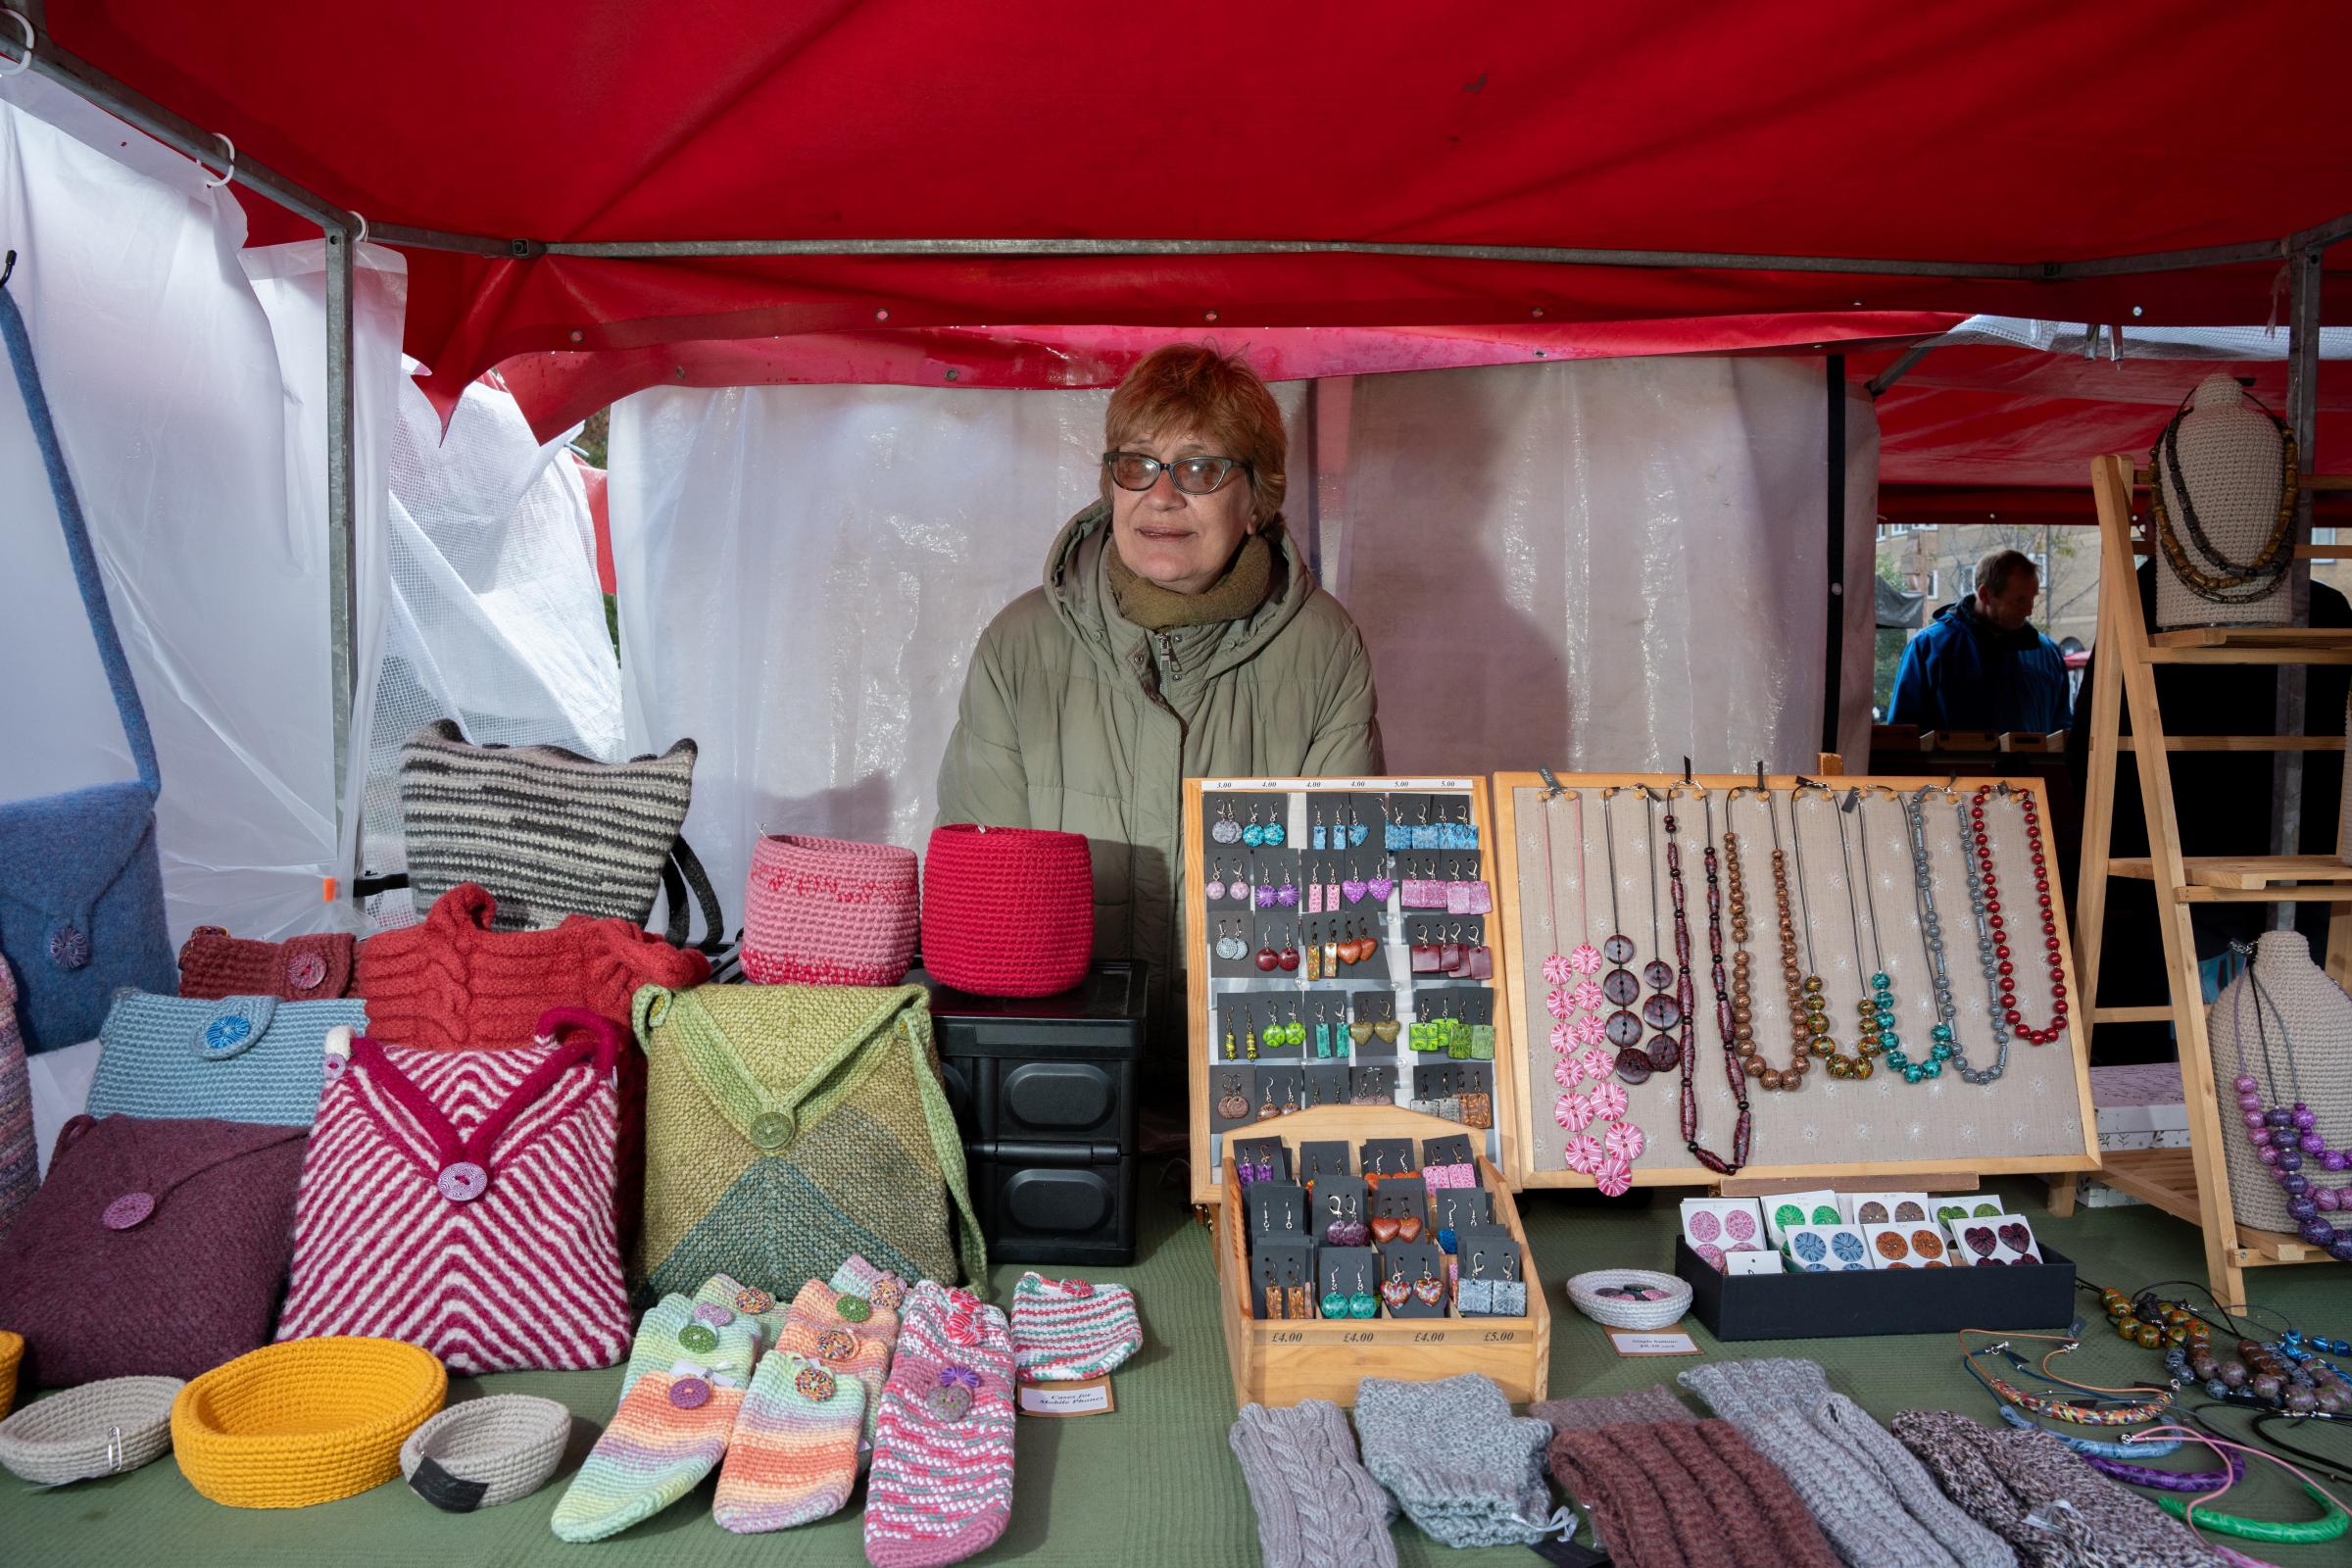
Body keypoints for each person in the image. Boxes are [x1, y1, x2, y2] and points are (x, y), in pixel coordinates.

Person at [935, 344, 1382, 1084]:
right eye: (1136, 464)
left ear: (1259, 497)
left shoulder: (1323, 649)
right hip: (1059, 1085)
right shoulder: (1019, 646)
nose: (1162, 496)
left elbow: (1340, 906)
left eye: (1201, 469)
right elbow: (989, 918)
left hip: (1253, 1089)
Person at [1887, 549, 2071, 735]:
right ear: (1985, 595)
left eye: (2033, 598)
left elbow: (2063, 731)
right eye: (2020, 600)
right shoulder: (1928, 648)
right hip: (1953, 765)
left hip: (2035, 765)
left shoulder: (2048, 653)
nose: (2029, 610)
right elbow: (1904, 735)